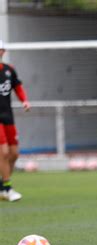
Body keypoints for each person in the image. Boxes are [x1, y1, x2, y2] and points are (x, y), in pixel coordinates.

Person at [0, 40, 31, 202]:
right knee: (3, 153)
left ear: (3, 52)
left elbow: (17, 87)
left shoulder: (8, 70)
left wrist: (24, 101)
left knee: (14, 154)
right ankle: (7, 188)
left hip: (7, 116)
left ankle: (2, 187)